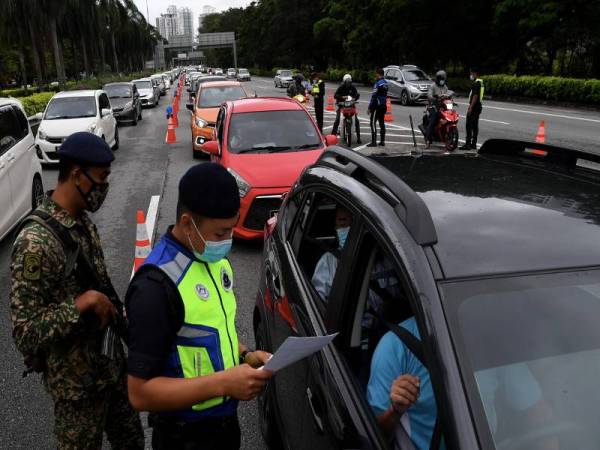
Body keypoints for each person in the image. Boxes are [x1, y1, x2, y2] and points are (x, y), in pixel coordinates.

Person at [9, 132, 144, 449]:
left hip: (111, 371)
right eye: (101, 178)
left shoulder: (83, 223)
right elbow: (25, 332)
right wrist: (82, 304)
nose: (104, 187)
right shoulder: (35, 243)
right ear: (75, 174)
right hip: (77, 390)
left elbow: (101, 285)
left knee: (133, 442)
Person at [125, 163, 273, 450]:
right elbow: (140, 393)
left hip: (224, 427)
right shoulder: (155, 287)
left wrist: (245, 355)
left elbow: (210, 327)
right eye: (220, 234)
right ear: (186, 223)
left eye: (231, 231)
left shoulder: (210, 259)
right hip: (184, 436)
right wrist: (224, 383)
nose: (227, 242)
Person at [368, 317, 558, 450]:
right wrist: (395, 411)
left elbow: (537, 412)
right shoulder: (393, 347)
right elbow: (371, 435)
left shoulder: (492, 342)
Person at [311, 205, 353, 300]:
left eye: (352, 225)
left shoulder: (376, 259)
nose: (349, 230)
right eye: (343, 224)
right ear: (336, 228)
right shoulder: (328, 261)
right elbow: (318, 299)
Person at [331, 74, 361, 144]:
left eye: (349, 82)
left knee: (357, 121)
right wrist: (342, 97)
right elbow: (335, 95)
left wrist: (355, 98)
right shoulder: (341, 87)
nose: (348, 83)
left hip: (351, 106)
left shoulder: (353, 87)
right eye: (347, 82)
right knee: (337, 120)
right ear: (344, 82)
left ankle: (359, 138)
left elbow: (356, 95)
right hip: (342, 106)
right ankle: (332, 137)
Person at [460, 68, 484, 150]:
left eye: (471, 73)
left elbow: (475, 96)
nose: (470, 75)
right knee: (475, 126)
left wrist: (470, 107)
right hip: (478, 106)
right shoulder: (481, 82)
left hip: (474, 107)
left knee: (469, 125)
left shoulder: (476, 83)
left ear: (475, 73)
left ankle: (468, 144)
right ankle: (474, 144)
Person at [425, 70, 449, 148]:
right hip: (433, 106)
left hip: (443, 106)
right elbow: (429, 95)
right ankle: (428, 140)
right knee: (433, 121)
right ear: (438, 79)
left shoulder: (445, 87)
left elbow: (448, 95)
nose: (442, 81)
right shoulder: (433, 86)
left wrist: (451, 99)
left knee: (449, 117)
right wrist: (432, 98)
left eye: (444, 79)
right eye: (442, 79)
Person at [367, 68, 389, 147]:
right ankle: (382, 141)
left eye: (376, 74)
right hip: (383, 105)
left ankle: (373, 142)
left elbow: (374, 96)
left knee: (372, 123)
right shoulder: (386, 83)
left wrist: (369, 107)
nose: (375, 76)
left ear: (378, 74)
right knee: (381, 123)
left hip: (377, 106)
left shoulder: (378, 83)